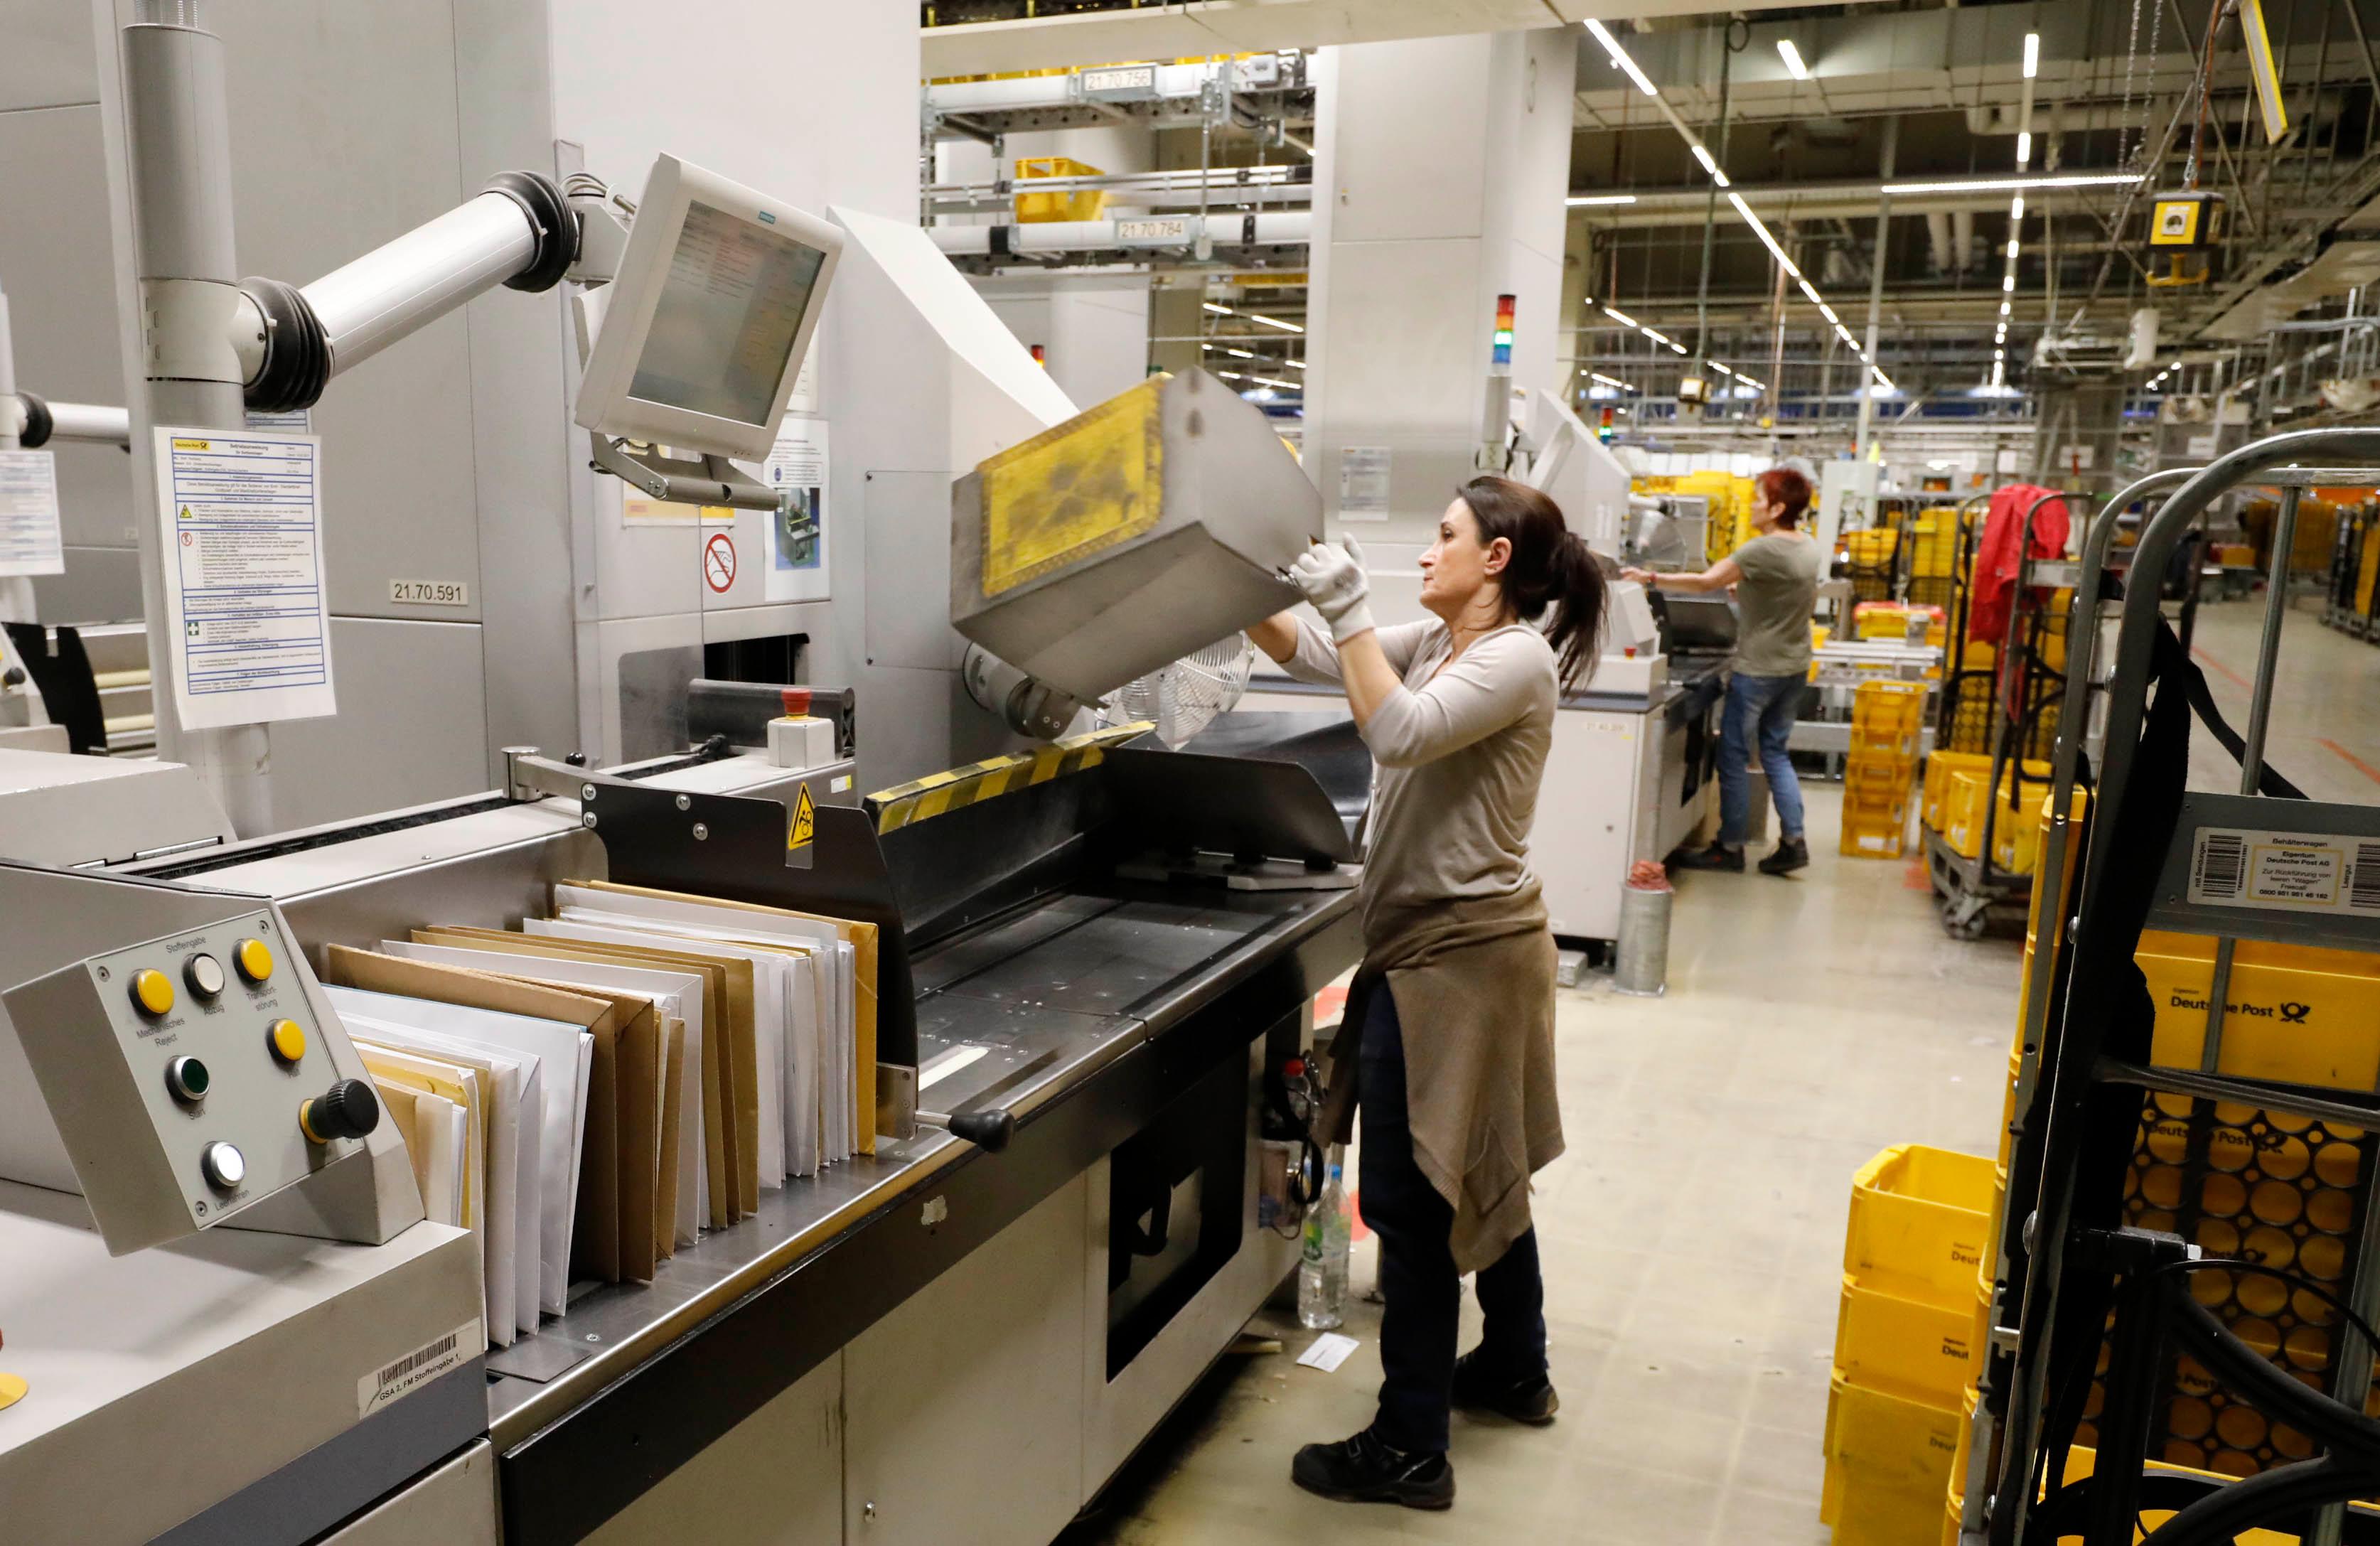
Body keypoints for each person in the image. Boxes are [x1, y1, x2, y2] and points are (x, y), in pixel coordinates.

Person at [1248, 476, 1603, 1512]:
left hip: (1463, 959)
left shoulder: (1513, 658)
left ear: (1496, 558)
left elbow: (1396, 732)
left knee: (1410, 1200)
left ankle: (1411, 1445)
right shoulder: (1444, 639)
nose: (1426, 553)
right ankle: (1514, 1366)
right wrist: (1226, 582)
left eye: (1444, 536)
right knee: (1484, 1156)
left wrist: (1350, 605)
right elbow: (1316, 656)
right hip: (1435, 945)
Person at [1624, 466, 1823, 876]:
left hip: (1758, 670)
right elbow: (1782, 591)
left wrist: (1650, 577)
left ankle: (1728, 847)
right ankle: (1793, 841)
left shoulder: (1760, 549)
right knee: (1774, 753)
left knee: (1732, 755)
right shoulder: (1807, 548)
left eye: (1758, 498)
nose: (1752, 505)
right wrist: (1746, 589)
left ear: (1778, 507)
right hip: (1794, 667)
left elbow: (1705, 582)